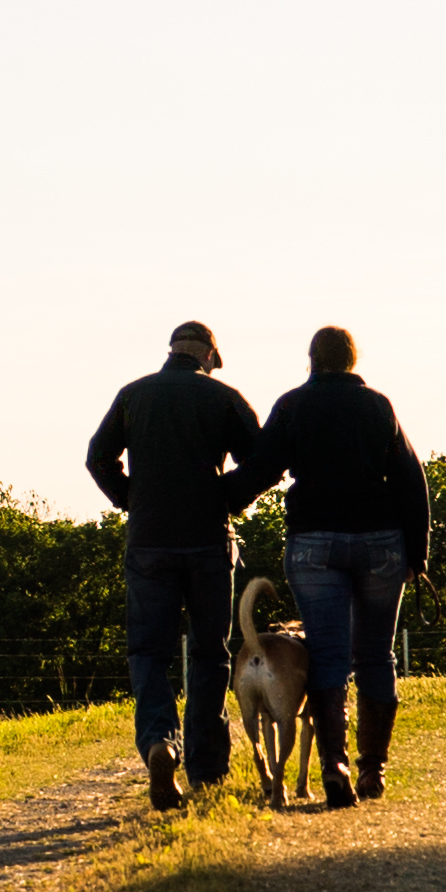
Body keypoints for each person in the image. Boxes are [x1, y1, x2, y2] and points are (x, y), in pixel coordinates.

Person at [225, 326, 429, 807]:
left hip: (315, 542)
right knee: (377, 657)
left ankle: (334, 769)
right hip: (381, 542)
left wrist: (220, 498)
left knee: (331, 657)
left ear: (312, 359)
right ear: (352, 361)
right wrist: (417, 554)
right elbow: (410, 477)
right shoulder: (378, 405)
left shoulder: (294, 405)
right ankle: (372, 771)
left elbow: (261, 467)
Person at [85, 321, 259, 811]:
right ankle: (207, 768)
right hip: (208, 543)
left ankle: (161, 742)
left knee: (148, 654)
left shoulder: (133, 395)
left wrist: (130, 500)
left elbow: (97, 458)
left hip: (149, 543)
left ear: (171, 351)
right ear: (208, 354)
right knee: (210, 654)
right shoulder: (223, 398)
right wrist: (227, 498)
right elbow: (263, 461)